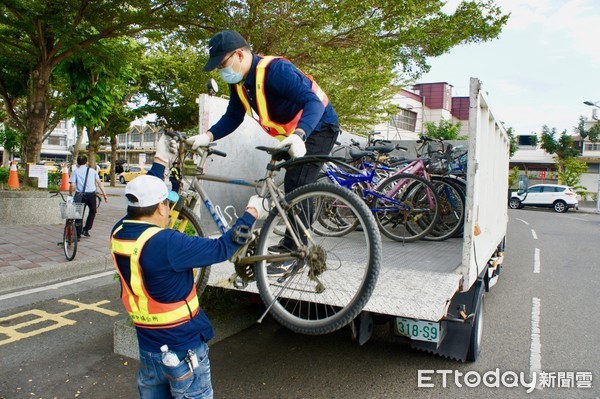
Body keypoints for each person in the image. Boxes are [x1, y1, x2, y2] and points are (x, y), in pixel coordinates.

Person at [110, 134, 266, 398]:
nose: (170, 209)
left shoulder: (119, 231)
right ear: (160, 207)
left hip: (149, 350)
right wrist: (253, 212)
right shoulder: (167, 243)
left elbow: (141, 199)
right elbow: (222, 248)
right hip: (184, 350)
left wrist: (161, 161)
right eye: (167, 204)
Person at [186, 30, 340, 263]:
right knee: (289, 182)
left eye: (222, 64)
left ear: (239, 55)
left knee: (298, 181)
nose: (221, 72)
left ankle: (296, 251)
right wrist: (207, 136)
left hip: (320, 124)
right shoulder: (240, 83)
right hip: (297, 132)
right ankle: (289, 241)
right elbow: (233, 117)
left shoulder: (276, 71)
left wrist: (300, 134)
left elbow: (313, 103)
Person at [68, 155, 108, 238]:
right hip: (91, 195)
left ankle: (77, 235)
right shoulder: (92, 171)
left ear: (78, 163)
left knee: (79, 214)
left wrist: (71, 194)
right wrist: (104, 194)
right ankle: (86, 229)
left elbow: (72, 185)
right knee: (93, 211)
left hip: (79, 195)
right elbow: (99, 183)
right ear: (86, 162)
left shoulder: (75, 172)